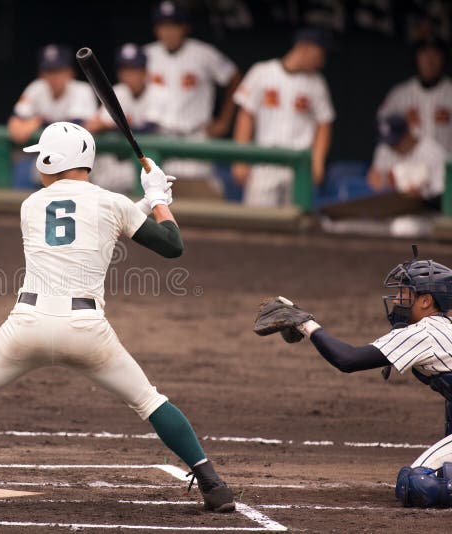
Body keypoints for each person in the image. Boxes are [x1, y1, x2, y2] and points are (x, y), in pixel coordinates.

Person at [0, 122, 236, 514]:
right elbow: (170, 244)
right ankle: (213, 485)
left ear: (54, 160)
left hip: (27, 325)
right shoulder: (112, 203)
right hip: (86, 331)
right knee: (149, 401)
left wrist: (143, 203)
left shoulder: (31, 205)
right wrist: (156, 200)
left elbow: (92, 226)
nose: (38, 162)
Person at [253, 247, 452, 508]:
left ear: (425, 301)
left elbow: (348, 360)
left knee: (417, 484)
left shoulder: (425, 332)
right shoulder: (440, 328)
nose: (396, 300)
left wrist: (306, 324)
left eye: (405, 293)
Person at [232, 28, 335, 207]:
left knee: (296, 220)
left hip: (298, 165)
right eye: (320, 54)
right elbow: (246, 116)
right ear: (304, 47)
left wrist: (318, 162)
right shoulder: (262, 71)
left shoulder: (317, 83)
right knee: (259, 219)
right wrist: (240, 158)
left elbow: (324, 123)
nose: (322, 61)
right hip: (265, 161)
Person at [144, 0, 240, 188]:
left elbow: (234, 78)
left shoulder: (204, 53)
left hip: (195, 136)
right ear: (156, 29)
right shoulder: (146, 54)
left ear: (185, 27)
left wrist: (224, 121)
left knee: (199, 195)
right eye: (163, 25)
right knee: (156, 195)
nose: (169, 31)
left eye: (174, 25)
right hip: (159, 137)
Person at [85, 43, 167, 193]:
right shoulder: (117, 91)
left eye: (134, 69)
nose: (129, 75)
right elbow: (96, 125)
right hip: (121, 161)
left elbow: (149, 129)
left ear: (144, 72)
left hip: (157, 159)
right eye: (125, 69)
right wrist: (112, 126)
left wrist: (112, 126)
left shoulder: (159, 93)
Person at [7, 45, 98, 144]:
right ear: (41, 74)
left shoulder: (82, 90)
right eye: (48, 71)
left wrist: (39, 122)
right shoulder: (36, 88)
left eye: (58, 71)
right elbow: (15, 121)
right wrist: (20, 126)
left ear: (70, 72)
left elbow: (73, 129)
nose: (53, 76)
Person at [378, 36, 452, 154]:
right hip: (410, 162)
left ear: (443, 58)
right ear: (416, 58)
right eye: (424, 54)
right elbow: (383, 125)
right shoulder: (400, 94)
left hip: (446, 161)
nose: (430, 60)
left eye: (435, 54)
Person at [368, 114, 446, 209]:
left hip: (427, 209)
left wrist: (420, 194)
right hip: (392, 207)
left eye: (396, 142)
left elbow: (441, 194)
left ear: (408, 134)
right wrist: (379, 181)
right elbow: (374, 177)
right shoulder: (385, 148)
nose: (393, 147)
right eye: (389, 143)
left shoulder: (433, 153)